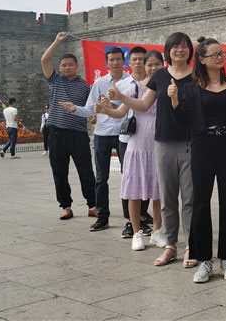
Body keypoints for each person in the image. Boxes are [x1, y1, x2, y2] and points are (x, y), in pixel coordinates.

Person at [110, 32, 196, 268]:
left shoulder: (197, 75)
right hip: (163, 142)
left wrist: (179, 101)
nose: (180, 50)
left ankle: (191, 246)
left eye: (184, 46)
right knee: (167, 198)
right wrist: (121, 98)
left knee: (189, 198)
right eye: (175, 46)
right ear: (168, 51)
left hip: (190, 142)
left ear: (190, 50)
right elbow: (143, 104)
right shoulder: (160, 76)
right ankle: (170, 245)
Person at [172, 38, 226, 283]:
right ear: (202, 60)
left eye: (221, 53)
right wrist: (174, 100)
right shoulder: (191, 89)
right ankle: (203, 259)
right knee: (200, 205)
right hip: (203, 148)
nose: (220, 57)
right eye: (214, 54)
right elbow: (182, 122)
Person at [98, 50, 164, 251]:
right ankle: (136, 233)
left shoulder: (167, 88)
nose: (153, 68)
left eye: (157, 65)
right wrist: (105, 109)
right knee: (134, 190)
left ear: (163, 66)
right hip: (136, 144)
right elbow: (120, 113)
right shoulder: (135, 88)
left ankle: (157, 232)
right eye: (149, 65)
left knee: (159, 192)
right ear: (143, 67)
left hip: (159, 143)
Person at [62, 46, 129, 232]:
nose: (115, 62)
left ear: (123, 61)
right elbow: (90, 108)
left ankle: (130, 218)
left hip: (124, 134)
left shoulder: (130, 82)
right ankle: (103, 216)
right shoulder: (99, 83)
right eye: (111, 60)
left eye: (118, 59)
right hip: (103, 134)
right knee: (101, 178)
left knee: (128, 176)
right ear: (106, 63)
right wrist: (75, 108)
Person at [40, 31, 97, 221]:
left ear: (77, 66)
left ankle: (92, 205)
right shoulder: (55, 81)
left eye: (70, 64)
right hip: (56, 133)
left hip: (79, 134)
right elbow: (44, 60)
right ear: (60, 68)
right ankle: (65, 206)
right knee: (59, 172)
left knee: (86, 171)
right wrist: (57, 41)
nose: (67, 67)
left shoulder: (86, 85)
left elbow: (91, 107)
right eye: (63, 65)